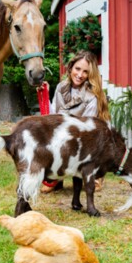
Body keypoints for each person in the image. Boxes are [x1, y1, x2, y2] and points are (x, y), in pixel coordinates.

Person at [41, 50, 111, 193]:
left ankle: (95, 174)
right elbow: (53, 113)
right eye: (77, 69)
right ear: (71, 67)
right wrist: (45, 95)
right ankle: (55, 178)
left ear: (90, 75)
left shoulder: (91, 97)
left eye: (85, 72)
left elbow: (85, 129)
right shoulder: (61, 87)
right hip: (63, 133)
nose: (80, 75)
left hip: (83, 139)